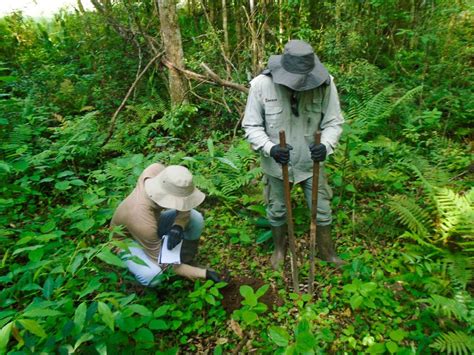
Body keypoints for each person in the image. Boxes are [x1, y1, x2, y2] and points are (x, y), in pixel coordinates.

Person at [242, 39, 345, 269]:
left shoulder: (325, 84)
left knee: (322, 209)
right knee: (277, 209)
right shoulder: (261, 85)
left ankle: (326, 252)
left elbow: (334, 122)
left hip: (312, 164)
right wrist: (271, 149)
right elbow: (251, 125)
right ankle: (280, 250)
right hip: (277, 165)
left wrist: (326, 145)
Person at [111, 163, 225, 286]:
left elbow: (185, 202)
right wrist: (204, 274)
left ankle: (185, 261)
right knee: (153, 275)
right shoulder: (141, 219)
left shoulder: (156, 171)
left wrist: (178, 225)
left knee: (195, 218)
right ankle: (136, 281)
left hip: (152, 223)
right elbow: (164, 262)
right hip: (126, 241)